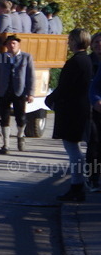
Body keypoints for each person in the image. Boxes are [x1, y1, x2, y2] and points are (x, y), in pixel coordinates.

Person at [46, 29, 93, 202]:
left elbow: (65, 87)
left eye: (70, 40)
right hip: (80, 108)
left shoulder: (75, 62)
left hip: (72, 110)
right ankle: (77, 185)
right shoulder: (86, 60)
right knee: (75, 150)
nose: (68, 43)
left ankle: (77, 186)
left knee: (73, 150)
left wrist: (51, 99)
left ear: (75, 41)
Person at [0, 34, 35, 153]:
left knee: (20, 118)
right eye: (9, 43)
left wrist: (31, 93)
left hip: (19, 91)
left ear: (18, 44)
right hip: (4, 91)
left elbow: (31, 77)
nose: (11, 45)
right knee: (4, 118)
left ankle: (20, 136)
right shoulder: (0, 58)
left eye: (14, 43)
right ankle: (6, 145)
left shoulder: (26, 57)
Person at [89, 34, 101, 191]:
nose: (99, 45)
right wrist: (96, 100)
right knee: (94, 145)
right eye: (96, 42)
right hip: (93, 110)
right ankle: (93, 178)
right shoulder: (88, 61)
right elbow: (94, 87)